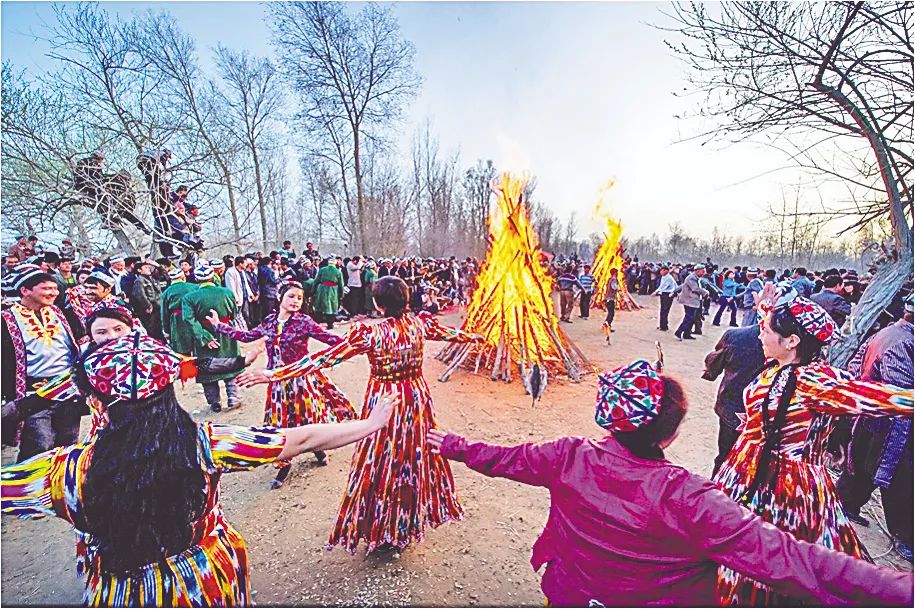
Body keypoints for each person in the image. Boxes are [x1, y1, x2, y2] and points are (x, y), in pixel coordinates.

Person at [427, 360, 913, 607]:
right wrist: (899, 590)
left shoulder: (567, 456)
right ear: (673, 431)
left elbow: (501, 458)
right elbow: (792, 558)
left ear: (610, 422)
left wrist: (452, 443)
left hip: (571, 595)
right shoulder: (688, 497)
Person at [1, 332, 395, 607]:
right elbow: (301, 440)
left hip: (121, 592)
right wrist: (370, 424)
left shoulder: (64, 472)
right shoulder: (206, 445)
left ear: (94, 402)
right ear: (169, 390)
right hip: (209, 582)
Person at [238, 276, 482, 554]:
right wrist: (474, 336)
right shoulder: (419, 324)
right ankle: (406, 522)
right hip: (415, 398)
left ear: (378, 305)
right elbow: (451, 334)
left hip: (384, 400)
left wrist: (274, 374)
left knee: (380, 459)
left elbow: (321, 359)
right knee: (412, 456)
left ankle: (383, 525)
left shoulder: (371, 334)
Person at [713, 283, 913, 606]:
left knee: (781, 562)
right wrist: (767, 306)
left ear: (792, 341)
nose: (760, 336)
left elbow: (876, 397)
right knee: (737, 552)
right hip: (745, 470)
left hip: (788, 489)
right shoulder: (777, 366)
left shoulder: (814, 382)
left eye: (766, 331)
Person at [208, 281, 357, 488]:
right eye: (291, 296)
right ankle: (284, 462)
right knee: (281, 423)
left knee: (308, 417)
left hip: (301, 380)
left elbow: (330, 339)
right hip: (276, 382)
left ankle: (318, 449)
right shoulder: (269, 321)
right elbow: (246, 336)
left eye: (299, 298)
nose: (296, 301)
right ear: (280, 297)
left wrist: (356, 342)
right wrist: (218, 325)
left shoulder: (304, 322)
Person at [836, 294, 914, 561]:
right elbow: (901, 392)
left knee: (861, 466)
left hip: (873, 416)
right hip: (892, 423)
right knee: (900, 481)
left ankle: (846, 504)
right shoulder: (903, 342)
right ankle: (904, 536)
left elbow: (856, 365)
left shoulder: (889, 332)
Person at [1, 270, 84, 461]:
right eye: (46, 288)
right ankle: (31, 489)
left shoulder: (59, 313)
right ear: (25, 290)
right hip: (33, 394)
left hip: (68, 391)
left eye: (55, 288)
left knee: (68, 444)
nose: (53, 293)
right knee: (40, 444)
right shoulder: (6, 319)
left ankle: (60, 487)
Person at [702, 324, 765, 476]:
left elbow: (713, 363)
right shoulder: (799, 350)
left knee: (726, 457)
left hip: (734, 408)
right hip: (752, 415)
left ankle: (717, 493)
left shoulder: (737, 336)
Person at [180, 262, 243, 413]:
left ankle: (214, 401)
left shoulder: (189, 298)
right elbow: (234, 313)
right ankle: (233, 397)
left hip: (202, 335)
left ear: (196, 279)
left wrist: (204, 337)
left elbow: (188, 320)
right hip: (226, 333)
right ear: (212, 277)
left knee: (207, 368)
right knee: (230, 364)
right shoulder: (227, 292)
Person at [160, 267, 199, 355]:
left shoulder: (166, 293)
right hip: (194, 317)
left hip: (177, 321)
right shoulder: (194, 287)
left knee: (182, 348)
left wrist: (166, 330)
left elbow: (164, 314)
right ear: (183, 277)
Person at [673, 264, 709, 341]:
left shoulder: (695, 278)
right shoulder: (691, 278)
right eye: (703, 271)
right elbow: (695, 288)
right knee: (689, 318)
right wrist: (705, 292)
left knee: (692, 318)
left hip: (692, 301)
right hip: (689, 301)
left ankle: (687, 333)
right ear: (697, 271)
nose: (704, 273)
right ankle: (678, 332)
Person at [129, 259, 163, 339]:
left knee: (159, 328)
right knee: (152, 329)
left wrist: (156, 265)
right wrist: (147, 305)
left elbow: (164, 274)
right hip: (150, 309)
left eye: (149, 267)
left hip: (158, 307)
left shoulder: (153, 278)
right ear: (139, 270)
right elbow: (139, 294)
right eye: (145, 267)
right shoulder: (139, 280)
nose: (148, 269)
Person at [313, 257, 344, 329]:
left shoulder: (322, 270)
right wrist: (341, 294)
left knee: (319, 306)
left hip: (322, 289)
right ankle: (330, 324)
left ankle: (317, 324)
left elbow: (316, 281)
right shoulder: (338, 271)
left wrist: (313, 290)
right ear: (335, 263)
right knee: (331, 307)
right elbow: (341, 284)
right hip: (332, 290)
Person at [651, 265, 678, 331]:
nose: (660, 272)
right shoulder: (664, 277)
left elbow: (663, 287)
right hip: (663, 294)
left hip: (668, 295)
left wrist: (656, 292)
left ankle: (664, 326)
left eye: (662, 270)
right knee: (662, 310)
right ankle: (661, 325)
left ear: (666, 270)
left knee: (665, 311)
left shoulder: (668, 278)